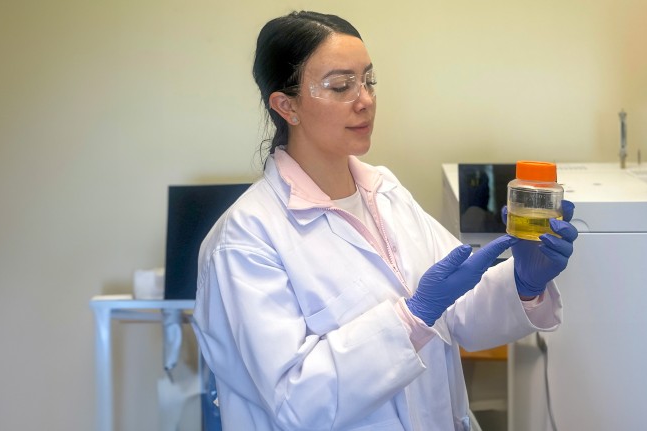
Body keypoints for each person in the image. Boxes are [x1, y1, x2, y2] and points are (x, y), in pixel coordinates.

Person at [192, 10, 578, 431]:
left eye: (368, 80)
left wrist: (523, 283)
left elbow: (458, 314)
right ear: (287, 106)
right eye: (341, 86)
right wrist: (411, 318)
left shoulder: (385, 192)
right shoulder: (246, 240)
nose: (365, 99)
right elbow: (296, 401)